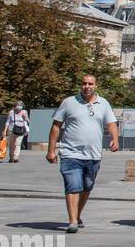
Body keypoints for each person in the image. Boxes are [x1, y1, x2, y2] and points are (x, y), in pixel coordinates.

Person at [46, 75, 119, 233]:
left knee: (87, 186)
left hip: (93, 155)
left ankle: (77, 214)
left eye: (90, 84)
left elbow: (111, 123)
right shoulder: (69, 102)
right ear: (81, 85)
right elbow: (56, 126)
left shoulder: (104, 103)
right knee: (73, 186)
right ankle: (72, 221)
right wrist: (51, 150)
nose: (87, 86)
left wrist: (115, 139)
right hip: (70, 153)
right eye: (84, 84)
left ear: (96, 85)